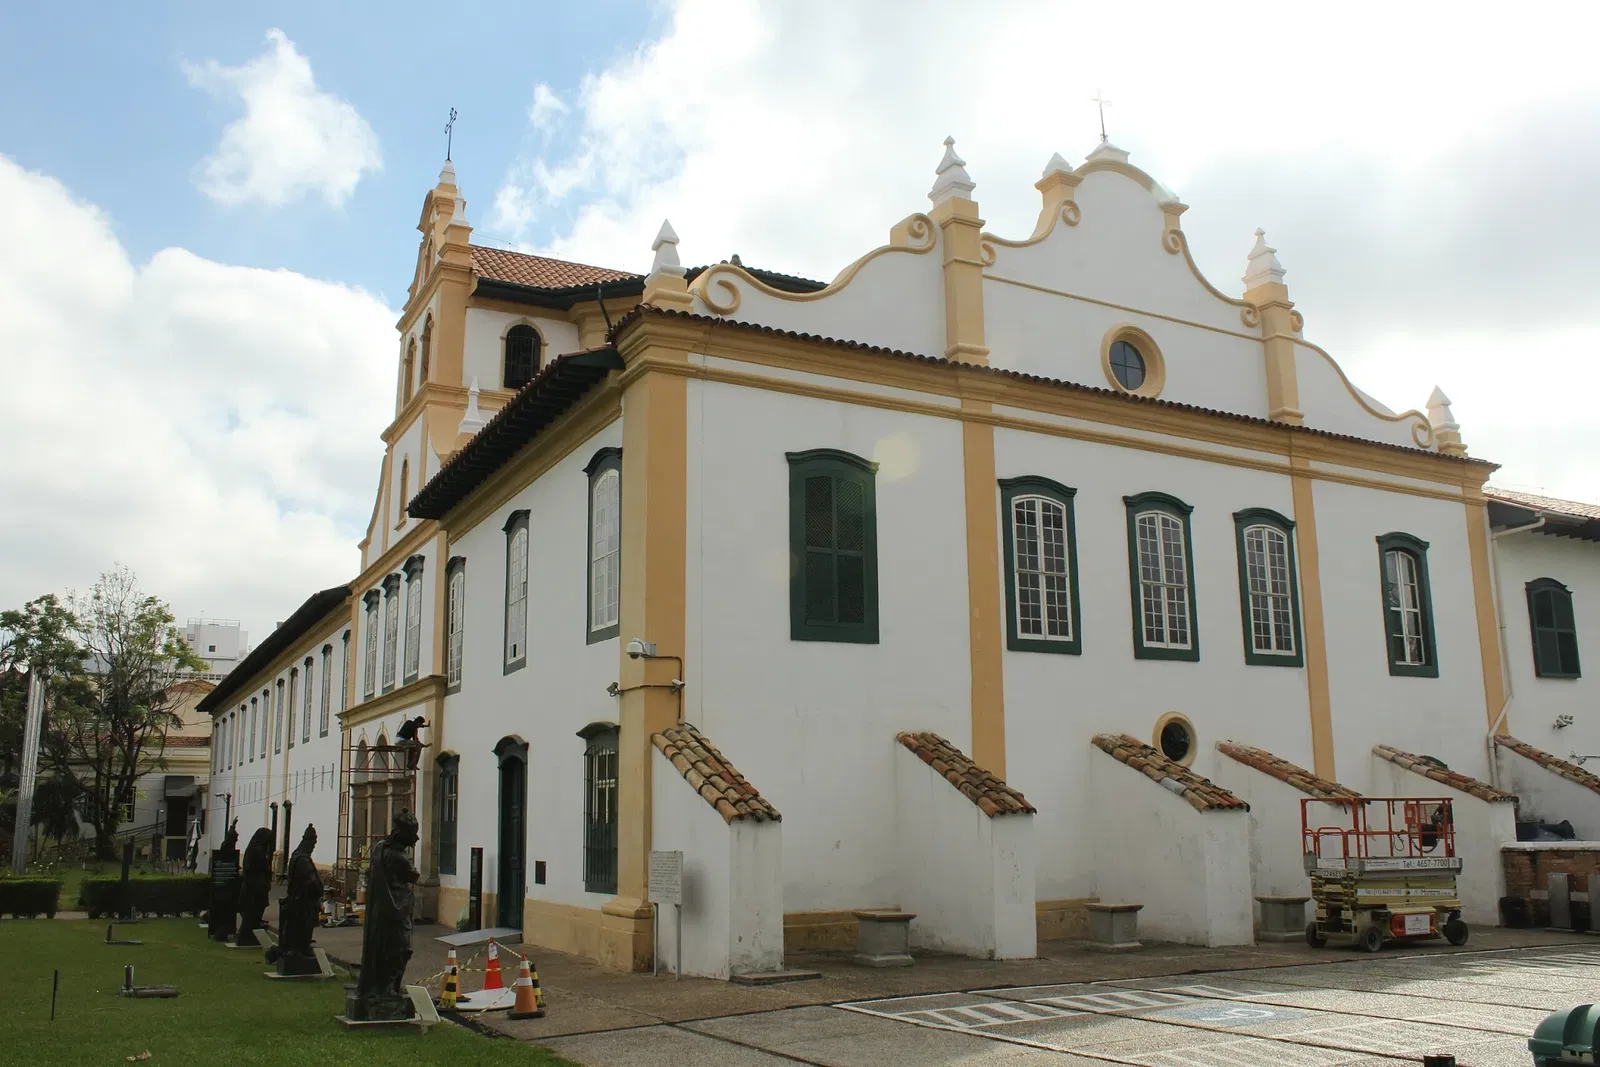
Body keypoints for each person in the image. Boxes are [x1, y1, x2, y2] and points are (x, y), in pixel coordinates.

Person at [353, 811, 420, 1020]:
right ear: (402, 833)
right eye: (413, 834)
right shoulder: (399, 857)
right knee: (401, 948)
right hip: (396, 908)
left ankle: (384, 986)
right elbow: (414, 875)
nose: (416, 839)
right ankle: (388, 988)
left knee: (384, 947)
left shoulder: (379, 848)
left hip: (383, 910)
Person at [267, 825, 323, 974]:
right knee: (303, 929)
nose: (313, 847)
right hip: (302, 903)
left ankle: (299, 950)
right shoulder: (303, 860)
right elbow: (311, 882)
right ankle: (300, 952)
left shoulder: (296, 856)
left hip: (299, 901)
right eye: (313, 844)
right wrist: (318, 888)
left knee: (299, 930)